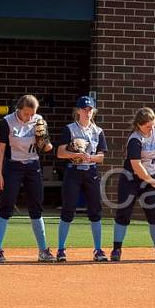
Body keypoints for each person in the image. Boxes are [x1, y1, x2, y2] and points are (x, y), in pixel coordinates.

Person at [0, 94, 55, 263]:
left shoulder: (38, 120)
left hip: (33, 165)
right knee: (6, 206)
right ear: (18, 109)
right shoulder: (7, 122)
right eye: (27, 113)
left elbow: (47, 147)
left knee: (36, 207)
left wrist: (46, 142)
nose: (30, 117)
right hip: (13, 166)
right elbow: (0, 150)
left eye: (33, 113)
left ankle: (43, 250)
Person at [112, 107, 155, 262]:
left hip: (149, 176)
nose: (151, 129)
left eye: (152, 125)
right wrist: (151, 180)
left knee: (154, 214)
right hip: (131, 179)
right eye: (147, 126)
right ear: (138, 125)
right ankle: (117, 249)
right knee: (124, 213)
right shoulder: (135, 139)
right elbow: (136, 165)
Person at [54, 96, 109, 262]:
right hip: (74, 172)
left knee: (95, 211)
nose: (88, 112)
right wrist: (76, 155)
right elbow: (60, 153)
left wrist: (90, 158)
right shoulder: (69, 129)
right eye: (85, 109)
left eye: (90, 109)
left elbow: (101, 157)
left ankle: (98, 249)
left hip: (91, 172)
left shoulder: (98, 131)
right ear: (78, 111)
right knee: (68, 209)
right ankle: (61, 249)